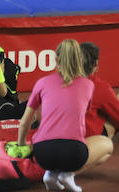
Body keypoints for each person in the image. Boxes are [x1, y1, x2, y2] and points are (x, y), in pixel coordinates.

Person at [16, 39, 92, 192]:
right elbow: (83, 114)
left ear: (56, 60)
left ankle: (50, 173)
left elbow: (25, 121)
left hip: (43, 153)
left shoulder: (42, 83)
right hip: (75, 153)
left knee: (53, 148)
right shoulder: (88, 85)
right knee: (85, 143)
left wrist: (22, 145)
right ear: (80, 60)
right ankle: (66, 174)